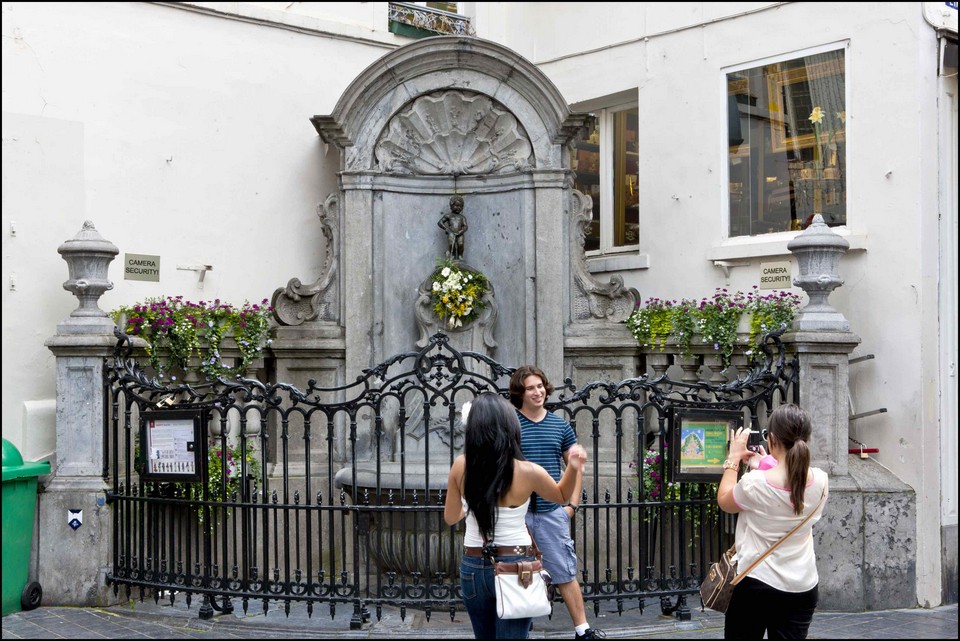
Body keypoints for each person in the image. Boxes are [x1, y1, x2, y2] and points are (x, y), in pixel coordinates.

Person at [444, 392, 584, 640]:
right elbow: (562, 495)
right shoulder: (527, 470)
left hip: (474, 564)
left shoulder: (460, 465)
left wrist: (473, 500)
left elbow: (451, 517)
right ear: (510, 426)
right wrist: (572, 467)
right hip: (517, 564)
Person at [717, 403, 830, 640]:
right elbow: (789, 482)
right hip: (801, 585)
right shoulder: (821, 480)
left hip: (756, 584)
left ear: (773, 439)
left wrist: (734, 458)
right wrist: (766, 463)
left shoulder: (755, 483)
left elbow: (725, 501)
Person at [509, 365, 603, 641]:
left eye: (540, 386)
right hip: (518, 514)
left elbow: (575, 469)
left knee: (564, 572)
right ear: (520, 392)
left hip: (552, 513)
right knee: (518, 574)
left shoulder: (560, 426)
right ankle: (519, 631)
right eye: (530, 388)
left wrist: (571, 507)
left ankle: (582, 631)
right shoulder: (510, 424)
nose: (537, 392)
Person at [438, 195, 468, 260]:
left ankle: (460, 255)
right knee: (451, 244)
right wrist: (446, 229)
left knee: (461, 244)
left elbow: (465, 226)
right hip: (451, 232)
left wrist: (461, 231)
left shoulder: (462, 217)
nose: (458, 208)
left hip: (460, 233)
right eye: (456, 206)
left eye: (460, 206)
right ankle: (453, 255)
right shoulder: (448, 216)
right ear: (451, 206)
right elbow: (440, 222)